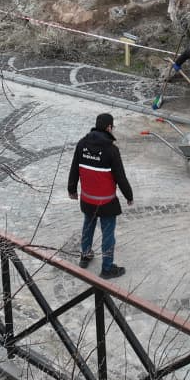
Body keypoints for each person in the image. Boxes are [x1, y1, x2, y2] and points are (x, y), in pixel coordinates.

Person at [67, 112, 134, 280]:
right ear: (109, 127)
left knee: (88, 227)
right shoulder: (111, 150)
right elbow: (120, 177)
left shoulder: (82, 144)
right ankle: (107, 268)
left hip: (87, 199)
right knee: (108, 234)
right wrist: (129, 195)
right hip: (106, 202)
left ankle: (85, 255)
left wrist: (72, 189)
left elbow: (74, 168)